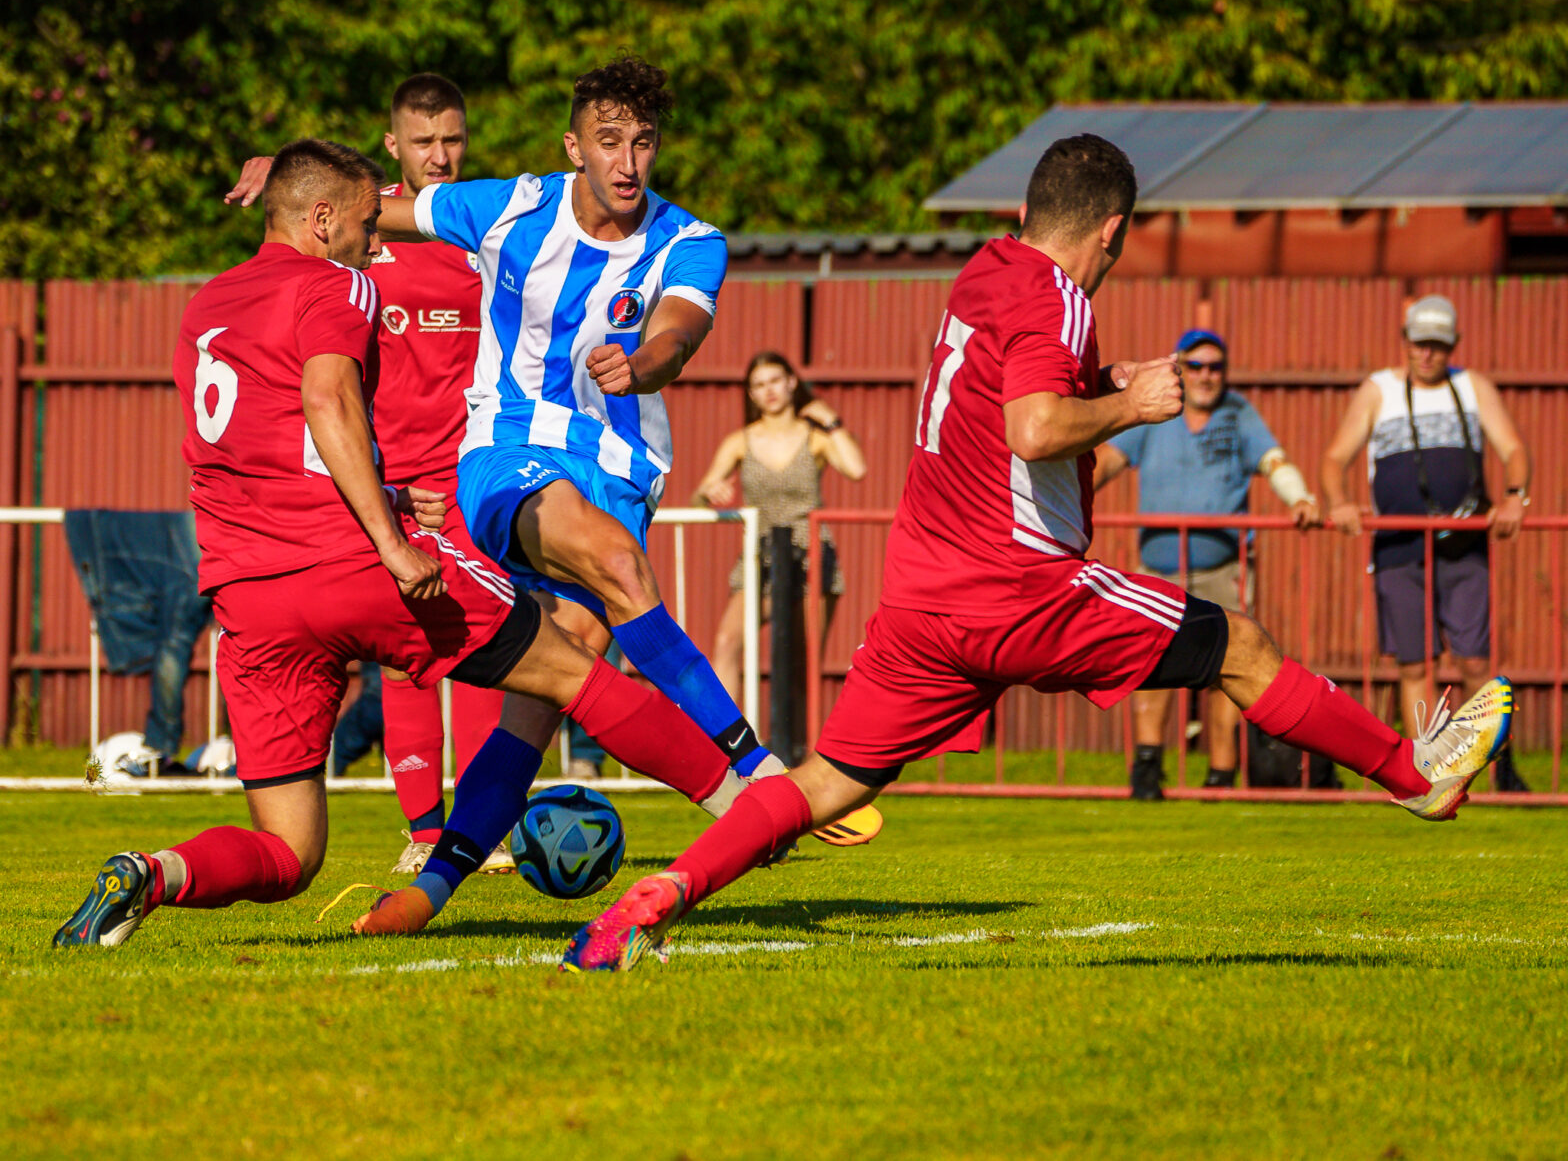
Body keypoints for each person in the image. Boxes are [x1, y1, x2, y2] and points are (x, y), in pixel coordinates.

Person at [557, 133, 1515, 973]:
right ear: (1113, 233)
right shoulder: (1057, 295)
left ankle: (656, 900)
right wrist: (1130, 403)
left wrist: (1102, 379)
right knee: (1242, 645)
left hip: (920, 605)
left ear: (1023, 213)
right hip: (1020, 590)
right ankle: (1416, 778)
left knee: (819, 785)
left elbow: (1014, 394)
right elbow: (1036, 424)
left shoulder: (984, 272)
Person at [52, 140, 751, 948]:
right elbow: (326, 401)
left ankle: (152, 871)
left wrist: (381, 491)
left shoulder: (206, 304)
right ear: (319, 221)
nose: (374, 243)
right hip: (353, 563)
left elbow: (261, 446)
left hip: (250, 596)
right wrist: (390, 534)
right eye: (360, 224)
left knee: (288, 852)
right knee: (573, 670)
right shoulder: (336, 282)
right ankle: (758, 812)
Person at [366, 73, 506, 873]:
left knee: (488, 639)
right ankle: (423, 833)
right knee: (408, 650)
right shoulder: (362, 230)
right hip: (387, 485)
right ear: (395, 146)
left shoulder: (488, 229)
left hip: (469, 474)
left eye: (452, 139)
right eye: (423, 142)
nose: (440, 156)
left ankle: (478, 831)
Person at [1094, 327, 1320, 796]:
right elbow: (1107, 461)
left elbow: (1275, 461)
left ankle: (1220, 775)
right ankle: (1147, 770)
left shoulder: (1239, 414)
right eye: (1195, 365)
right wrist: (1062, 498)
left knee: (1228, 669)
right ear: (1180, 369)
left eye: (1215, 367)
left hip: (1223, 569)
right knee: (1146, 666)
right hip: (1158, 568)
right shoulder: (1156, 412)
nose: (1206, 376)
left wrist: (1299, 498)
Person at [1321, 294, 1532, 791]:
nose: (1428, 354)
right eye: (1419, 344)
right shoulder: (1378, 390)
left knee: (1476, 661)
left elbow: (1514, 449)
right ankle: (1430, 773)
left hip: (1465, 544)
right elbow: (1335, 459)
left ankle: (1499, 766)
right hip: (1399, 547)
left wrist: (1516, 496)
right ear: (1406, 343)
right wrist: (1340, 501)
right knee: (1415, 663)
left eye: (1438, 345)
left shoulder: (1473, 386)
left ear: (1453, 345)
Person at [692, 351, 866, 712]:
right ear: (750, 394)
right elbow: (698, 497)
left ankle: (802, 754)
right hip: (759, 555)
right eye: (758, 385)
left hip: (810, 553)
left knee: (803, 658)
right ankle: (727, 742)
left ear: (791, 383)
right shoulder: (740, 441)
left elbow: (856, 469)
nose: (768, 390)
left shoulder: (815, 437)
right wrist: (710, 491)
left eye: (774, 380)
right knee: (727, 641)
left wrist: (831, 421)